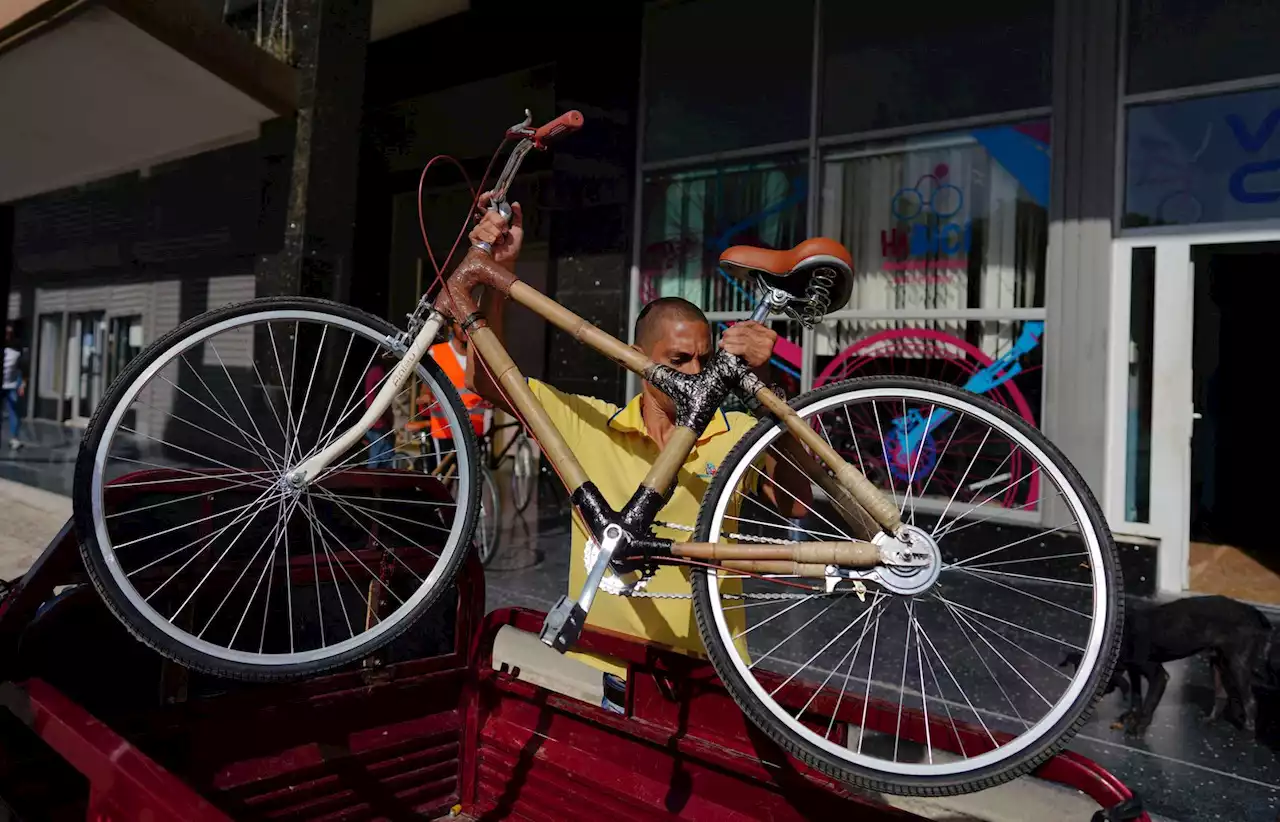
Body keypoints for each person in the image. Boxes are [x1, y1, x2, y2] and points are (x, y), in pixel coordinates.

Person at [463, 197, 811, 711]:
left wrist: (767, 381)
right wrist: (498, 272)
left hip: (715, 674)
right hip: (610, 669)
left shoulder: (734, 431)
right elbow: (487, 380)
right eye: (678, 359)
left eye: (704, 358)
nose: (695, 372)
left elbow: (799, 502)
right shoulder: (589, 424)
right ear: (640, 360)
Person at [363, 362, 396, 468]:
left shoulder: (373, 371)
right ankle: (370, 482)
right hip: (379, 423)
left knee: (382, 456)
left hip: (373, 422)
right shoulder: (379, 372)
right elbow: (383, 398)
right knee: (378, 459)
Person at [2, 323, 25, 450]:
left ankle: (15, 438)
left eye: (9, 334)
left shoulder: (16, 350)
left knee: (15, 412)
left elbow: (22, 368)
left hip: (11, 384)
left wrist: (21, 384)